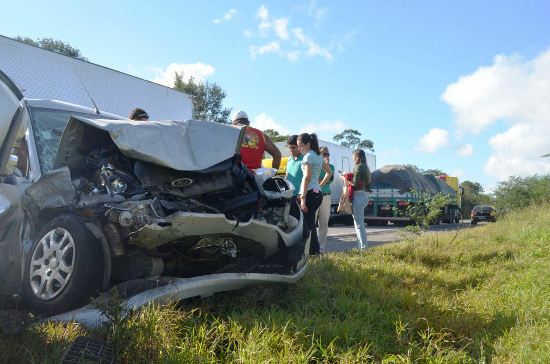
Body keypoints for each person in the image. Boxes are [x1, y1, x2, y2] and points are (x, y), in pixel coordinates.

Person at [297, 133, 333, 256]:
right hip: (318, 194)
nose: (299, 149)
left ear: (308, 144)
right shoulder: (318, 156)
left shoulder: (308, 157)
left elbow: (307, 177)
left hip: (309, 193)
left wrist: (302, 198)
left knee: (307, 225)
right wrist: (320, 186)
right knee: (311, 223)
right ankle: (315, 251)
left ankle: (312, 252)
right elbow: (329, 173)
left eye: (301, 146)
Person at [343, 149, 371, 250]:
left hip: (358, 196)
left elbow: (354, 184)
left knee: (359, 224)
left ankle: (363, 248)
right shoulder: (366, 167)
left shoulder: (358, 167)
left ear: (358, 157)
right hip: (363, 195)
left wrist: (345, 178)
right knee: (358, 222)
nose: (353, 159)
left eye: (354, 157)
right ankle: (360, 246)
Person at [316, 146, 335, 253]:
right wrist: (324, 178)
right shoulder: (315, 165)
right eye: (324, 154)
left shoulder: (331, 166)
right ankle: (310, 249)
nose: (326, 156)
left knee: (324, 223)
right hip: (314, 195)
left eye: (327, 154)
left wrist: (326, 167)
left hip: (326, 196)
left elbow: (330, 179)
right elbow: (315, 178)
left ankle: (321, 249)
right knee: (311, 222)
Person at [285, 135, 304, 220]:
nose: (291, 150)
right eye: (290, 148)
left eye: (293, 148)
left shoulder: (305, 159)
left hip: (299, 197)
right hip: (289, 197)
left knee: (302, 223)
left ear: (299, 147)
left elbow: (308, 178)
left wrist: (301, 194)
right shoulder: (289, 160)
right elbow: (287, 176)